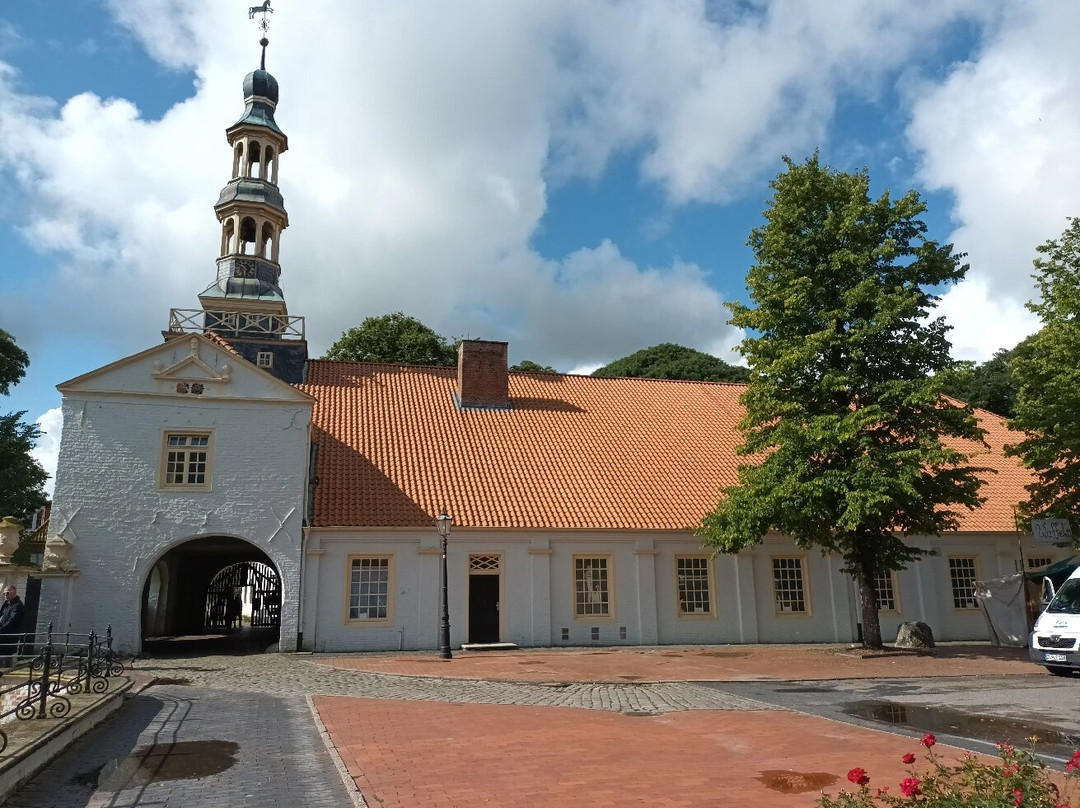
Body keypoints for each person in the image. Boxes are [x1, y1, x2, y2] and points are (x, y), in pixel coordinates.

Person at [0, 585, 25, 666]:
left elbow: (13, 620)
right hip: (2, 635)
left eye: (7, 593)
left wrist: (2, 630)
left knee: (6, 657)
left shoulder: (17, 605)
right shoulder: (6, 604)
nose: (5, 595)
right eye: (4, 594)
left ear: (14, 593)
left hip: (8, 636)